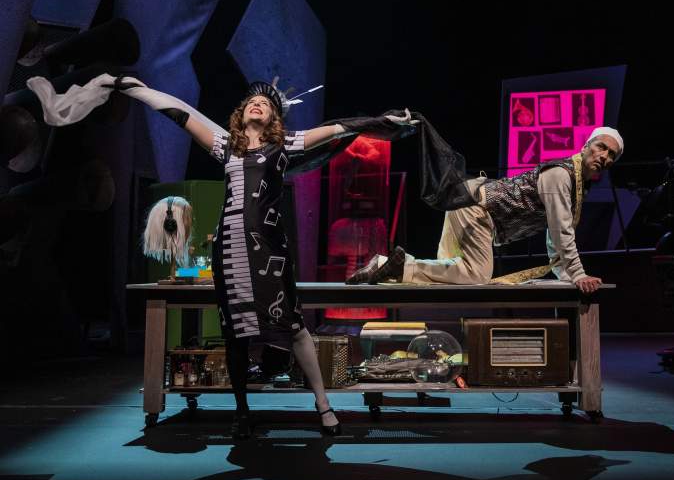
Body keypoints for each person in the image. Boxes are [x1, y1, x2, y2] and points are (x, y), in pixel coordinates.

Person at [27, 73, 417, 440]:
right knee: (236, 332)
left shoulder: (285, 144)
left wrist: (382, 121)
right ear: (241, 113)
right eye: (253, 102)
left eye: (267, 104)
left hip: (270, 248)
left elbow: (339, 128)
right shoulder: (224, 145)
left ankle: (323, 405)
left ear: (274, 118)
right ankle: (241, 411)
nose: (258, 104)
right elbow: (177, 111)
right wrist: (131, 86)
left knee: (295, 326)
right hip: (230, 246)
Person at [346, 127, 624, 295]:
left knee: (452, 277)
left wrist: (567, 278)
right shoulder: (561, 174)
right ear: (586, 146)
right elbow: (562, 231)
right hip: (477, 205)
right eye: (601, 147)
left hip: (472, 201)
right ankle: (396, 265)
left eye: (612, 155)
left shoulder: (576, 185)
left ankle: (383, 266)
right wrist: (578, 274)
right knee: (476, 276)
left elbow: (555, 235)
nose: (604, 156)